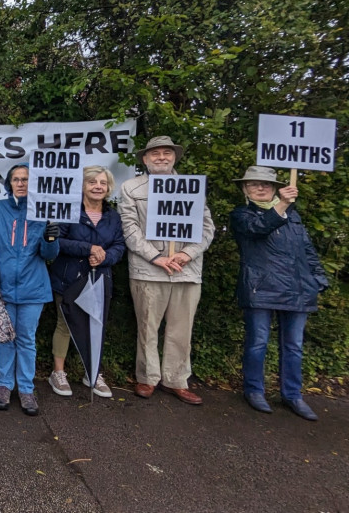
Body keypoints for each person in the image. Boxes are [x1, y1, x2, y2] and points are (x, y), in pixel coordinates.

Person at [120, 136, 215, 405]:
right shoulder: (131, 187)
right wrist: (156, 258)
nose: (161, 157)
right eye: (155, 154)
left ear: (174, 157)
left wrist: (187, 254)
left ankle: (176, 379)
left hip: (186, 271)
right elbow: (129, 229)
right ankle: (147, 377)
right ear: (145, 159)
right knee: (147, 327)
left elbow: (207, 228)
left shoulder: (191, 187)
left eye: (166, 153)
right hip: (148, 270)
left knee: (181, 330)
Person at [230, 166, 328, 421]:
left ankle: (293, 395)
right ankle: (253, 390)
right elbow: (258, 229)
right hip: (260, 287)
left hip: (297, 289)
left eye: (266, 184)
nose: (261, 188)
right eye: (254, 184)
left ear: (274, 187)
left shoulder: (293, 216)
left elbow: (306, 250)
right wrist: (282, 205)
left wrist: (317, 278)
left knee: (294, 346)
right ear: (245, 189)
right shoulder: (242, 214)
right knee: (257, 342)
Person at [0, 164, 60, 415]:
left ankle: (26, 388)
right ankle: (4, 385)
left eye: (26, 179)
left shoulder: (41, 213)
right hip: (2, 287)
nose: (21, 183)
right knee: (5, 337)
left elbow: (48, 255)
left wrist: (51, 239)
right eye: (16, 179)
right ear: (9, 184)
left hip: (32, 288)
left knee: (26, 339)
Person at [47, 165, 125, 399]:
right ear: (82, 186)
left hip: (100, 277)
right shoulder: (67, 210)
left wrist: (104, 257)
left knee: (96, 325)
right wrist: (88, 248)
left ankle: (93, 373)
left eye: (102, 183)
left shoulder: (113, 216)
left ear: (109, 187)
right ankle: (58, 373)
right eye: (92, 182)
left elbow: (119, 246)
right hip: (69, 276)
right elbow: (57, 241)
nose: (98, 186)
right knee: (65, 325)